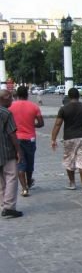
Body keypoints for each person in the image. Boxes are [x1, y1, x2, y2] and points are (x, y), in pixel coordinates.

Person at [50, 87, 82, 193]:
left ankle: (72, 183)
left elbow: (57, 124)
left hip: (69, 137)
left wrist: (53, 139)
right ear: (78, 96)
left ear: (69, 96)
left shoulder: (64, 109)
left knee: (69, 159)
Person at [9, 86, 44, 197]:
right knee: (30, 162)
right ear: (27, 95)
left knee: (20, 163)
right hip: (30, 138)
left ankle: (24, 189)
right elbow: (41, 123)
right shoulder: (34, 106)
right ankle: (29, 182)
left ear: (17, 95)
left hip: (16, 139)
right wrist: (31, 124)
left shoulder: (10, 107)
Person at [0, 89, 23, 218]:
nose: (12, 101)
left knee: (1, 180)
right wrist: (19, 151)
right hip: (6, 150)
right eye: (10, 99)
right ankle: (9, 207)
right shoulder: (6, 113)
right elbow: (12, 134)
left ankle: (3, 206)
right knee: (11, 176)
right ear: (5, 98)